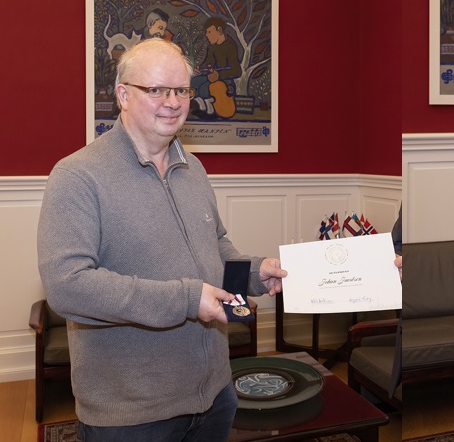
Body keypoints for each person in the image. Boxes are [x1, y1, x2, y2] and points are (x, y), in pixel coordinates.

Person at [37, 38, 287, 441]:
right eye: (156, 89)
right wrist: (187, 299)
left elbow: (216, 247)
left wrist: (256, 273)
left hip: (215, 396)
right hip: (132, 415)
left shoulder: (194, 169)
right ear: (123, 95)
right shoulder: (77, 176)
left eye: (181, 90)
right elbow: (68, 287)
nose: (172, 102)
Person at [191, 17, 243, 119]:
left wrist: (219, 75)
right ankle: (202, 106)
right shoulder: (212, 48)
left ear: (219, 30)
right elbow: (207, 64)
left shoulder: (230, 47)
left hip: (225, 79)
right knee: (193, 82)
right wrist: (199, 70)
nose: (207, 35)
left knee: (205, 88)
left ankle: (210, 109)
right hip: (211, 77)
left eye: (209, 32)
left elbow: (237, 71)